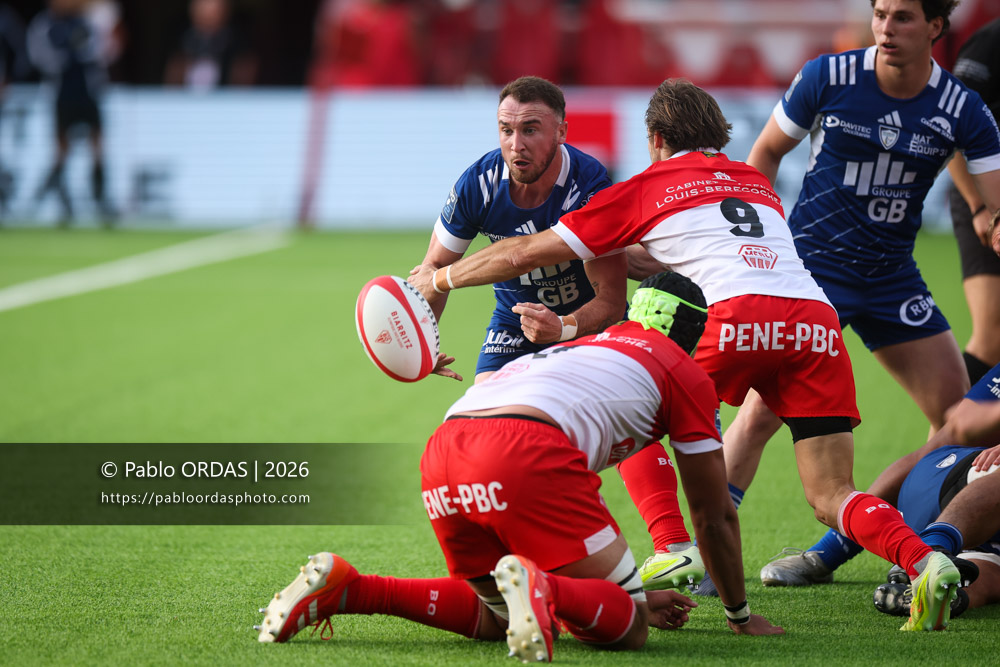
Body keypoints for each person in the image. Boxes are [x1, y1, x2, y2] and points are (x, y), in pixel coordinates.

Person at [410, 77, 968, 632]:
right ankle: (926, 561)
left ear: (655, 139)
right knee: (830, 494)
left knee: (631, 407)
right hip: (814, 321)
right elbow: (692, 241)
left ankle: (672, 544)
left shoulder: (647, 184)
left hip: (732, 315)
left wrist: (440, 277)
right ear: (718, 134)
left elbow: (529, 252)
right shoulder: (754, 180)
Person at [256, 273, 784, 659]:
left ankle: (352, 589)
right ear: (694, 336)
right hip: (526, 449)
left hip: (444, 447)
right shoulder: (683, 370)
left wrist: (635, 594)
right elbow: (714, 516)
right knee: (628, 630)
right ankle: (545, 586)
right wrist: (738, 615)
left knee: (498, 617)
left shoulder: (588, 344)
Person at [726, 0, 1000, 584]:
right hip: (812, 273)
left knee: (954, 420)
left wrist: (986, 213)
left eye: (902, 17)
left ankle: (849, 548)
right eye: (879, 14)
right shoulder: (829, 76)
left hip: (890, 276)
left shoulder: (961, 108)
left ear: (934, 27)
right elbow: (768, 152)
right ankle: (707, 554)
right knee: (758, 417)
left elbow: (994, 199)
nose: (885, 28)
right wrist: (760, 242)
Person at [415, 75, 704, 591]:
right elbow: (433, 268)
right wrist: (423, 341)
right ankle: (516, 567)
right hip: (514, 318)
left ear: (562, 132)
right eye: (505, 129)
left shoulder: (591, 185)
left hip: (584, 311)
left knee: (618, 416)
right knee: (483, 420)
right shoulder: (478, 183)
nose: (515, 144)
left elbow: (612, 302)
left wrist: (564, 327)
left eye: (530, 129)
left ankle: (674, 547)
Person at [27, 0, 116, 225]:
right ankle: (62, 202)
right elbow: (38, 56)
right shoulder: (44, 25)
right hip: (62, 93)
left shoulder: (85, 21)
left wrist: (86, 54)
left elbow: (101, 50)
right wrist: (64, 57)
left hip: (87, 92)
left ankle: (100, 200)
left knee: (97, 145)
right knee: (61, 150)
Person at [946, 17, 1000, 384]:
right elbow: (950, 127)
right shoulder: (989, 44)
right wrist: (982, 208)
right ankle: (947, 438)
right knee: (992, 338)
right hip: (985, 198)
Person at [164, 0, 257, 90]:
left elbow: (243, 78)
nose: (207, 18)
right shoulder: (183, 37)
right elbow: (174, 75)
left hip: (224, 99)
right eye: (202, 12)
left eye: (213, 13)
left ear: (224, 13)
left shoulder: (236, 40)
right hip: (188, 98)